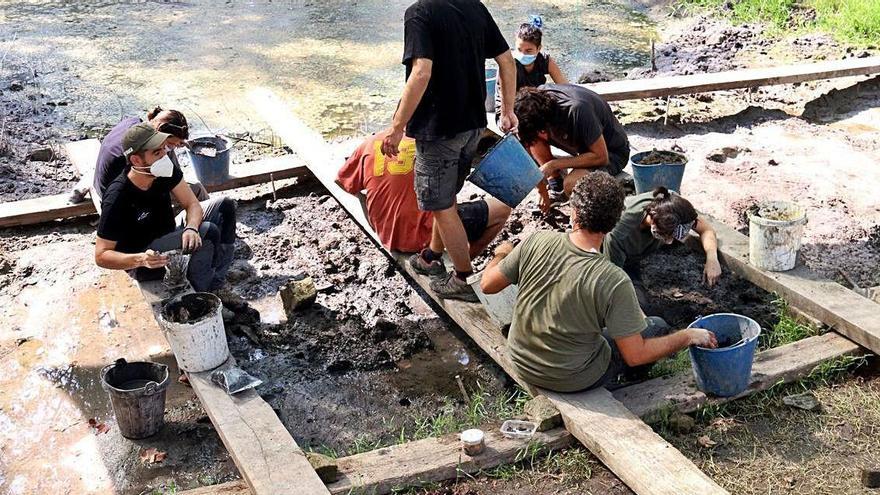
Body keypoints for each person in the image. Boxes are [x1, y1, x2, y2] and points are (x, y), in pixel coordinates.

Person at [479, 172, 717, 393]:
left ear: (573, 212)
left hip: (522, 360)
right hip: (572, 377)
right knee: (656, 327)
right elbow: (635, 355)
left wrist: (502, 253)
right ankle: (622, 383)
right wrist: (688, 336)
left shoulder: (536, 241)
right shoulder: (614, 280)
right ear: (614, 223)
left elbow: (487, 285)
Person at [380, 0, 518, 302]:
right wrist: (507, 111)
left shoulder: (418, 13)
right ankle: (430, 256)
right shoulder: (474, 7)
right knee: (447, 198)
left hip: (438, 130)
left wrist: (397, 126)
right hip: (473, 127)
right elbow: (507, 60)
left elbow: (421, 72)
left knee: (441, 205)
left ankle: (460, 277)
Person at [94, 123, 237, 294]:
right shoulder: (117, 197)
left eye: (163, 149)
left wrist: (191, 227)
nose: (164, 156)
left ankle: (217, 281)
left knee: (225, 206)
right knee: (208, 232)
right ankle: (202, 294)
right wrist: (140, 259)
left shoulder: (164, 171)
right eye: (157, 152)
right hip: (148, 257)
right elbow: (101, 255)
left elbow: (192, 204)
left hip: (168, 231)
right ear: (136, 160)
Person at [337, 130, 511, 263]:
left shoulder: (371, 142)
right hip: (422, 237)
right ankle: (463, 263)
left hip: (386, 233)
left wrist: (365, 202)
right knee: (502, 209)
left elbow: (341, 181)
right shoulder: (436, 147)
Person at [515, 84, 630, 212]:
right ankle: (556, 184)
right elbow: (528, 143)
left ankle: (565, 186)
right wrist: (542, 190)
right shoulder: (535, 101)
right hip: (582, 148)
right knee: (533, 140)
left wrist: (554, 164)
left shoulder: (578, 110)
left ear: (544, 127)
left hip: (611, 152)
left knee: (572, 184)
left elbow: (602, 157)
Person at [603, 187, 722, 303]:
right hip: (610, 259)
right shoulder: (619, 235)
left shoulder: (670, 204)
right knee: (638, 301)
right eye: (665, 236)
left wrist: (712, 258)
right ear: (653, 221)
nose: (669, 241)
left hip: (635, 249)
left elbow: (706, 230)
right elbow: (613, 280)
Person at [89, 106, 207, 203]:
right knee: (196, 189)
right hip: (118, 199)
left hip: (104, 181)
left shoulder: (135, 124)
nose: (169, 149)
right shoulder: (130, 154)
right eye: (170, 144)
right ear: (159, 133)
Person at [493, 16, 568, 115]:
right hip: (509, 108)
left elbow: (565, 87)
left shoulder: (545, 61)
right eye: (519, 49)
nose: (523, 54)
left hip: (534, 103)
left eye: (529, 51)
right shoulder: (509, 64)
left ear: (539, 48)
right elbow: (506, 100)